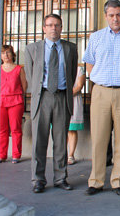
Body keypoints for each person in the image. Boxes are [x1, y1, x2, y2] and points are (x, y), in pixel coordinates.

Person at [83, 0, 120, 197]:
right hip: (100, 91)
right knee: (99, 138)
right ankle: (96, 181)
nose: (115, 18)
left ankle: (118, 181)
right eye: (111, 15)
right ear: (106, 16)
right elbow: (89, 64)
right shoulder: (96, 37)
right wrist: (98, 81)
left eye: (118, 14)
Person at [25, 14, 78, 193]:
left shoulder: (70, 48)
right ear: (43, 28)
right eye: (49, 25)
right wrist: (40, 93)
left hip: (62, 97)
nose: (53, 28)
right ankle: (38, 179)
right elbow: (30, 76)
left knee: (60, 141)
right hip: (42, 97)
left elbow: (71, 74)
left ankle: (60, 178)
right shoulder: (32, 48)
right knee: (39, 140)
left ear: (61, 27)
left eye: (56, 25)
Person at [0, 45, 27, 164]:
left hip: (15, 101)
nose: (6, 55)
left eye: (8, 53)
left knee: (16, 129)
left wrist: (19, 95)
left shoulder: (19, 69)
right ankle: (2, 155)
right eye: (3, 53)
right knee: (2, 129)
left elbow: (24, 85)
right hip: (1, 101)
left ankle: (16, 155)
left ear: (12, 55)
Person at [67, 65, 86, 165]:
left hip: (73, 100)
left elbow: (79, 86)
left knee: (72, 129)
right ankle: (62, 154)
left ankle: (71, 154)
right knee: (60, 130)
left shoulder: (79, 69)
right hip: (61, 101)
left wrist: (66, 95)